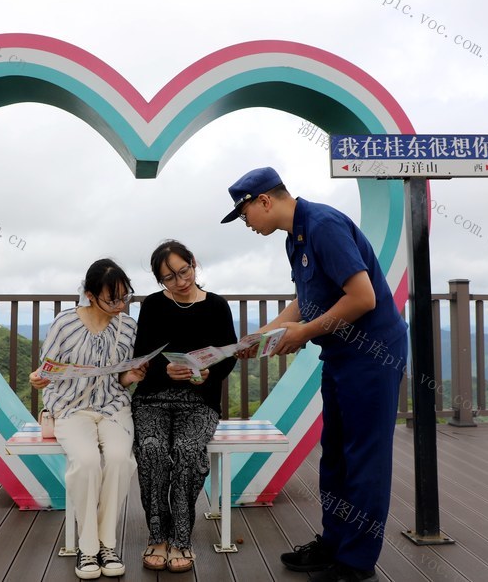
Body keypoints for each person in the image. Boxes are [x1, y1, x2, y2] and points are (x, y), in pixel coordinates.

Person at [221, 167, 407, 582]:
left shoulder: (323, 225)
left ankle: (356, 563)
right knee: (336, 453)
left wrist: (302, 334)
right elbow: (308, 300)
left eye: (245, 214)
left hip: (372, 355)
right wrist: (260, 336)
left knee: (364, 457)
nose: (246, 224)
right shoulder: (295, 238)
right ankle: (334, 541)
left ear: (264, 201)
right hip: (341, 354)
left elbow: (363, 297)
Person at [29, 258, 147, 580]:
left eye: (126, 296)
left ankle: (107, 544)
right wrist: (39, 378)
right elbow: (47, 370)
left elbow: (121, 379)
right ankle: (88, 546)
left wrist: (131, 376)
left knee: (121, 459)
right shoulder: (65, 324)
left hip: (113, 406)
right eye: (113, 298)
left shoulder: (128, 327)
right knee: (86, 461)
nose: (121, 304)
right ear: (91, 295)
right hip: (70, 407)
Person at [131, 240, 238, 573]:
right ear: (159, 280)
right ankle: (157, 536)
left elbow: (228, 356)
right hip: (152, 399)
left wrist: (207, 372)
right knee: (151, 450)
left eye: (184, 271)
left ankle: (180, 540)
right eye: (169, 277)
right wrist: (164, 369)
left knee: (189, 451)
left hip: (198, 400)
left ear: (193, 263)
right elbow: (143, 354)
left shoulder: (217, 306)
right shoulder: (152, 306)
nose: (180, 281)